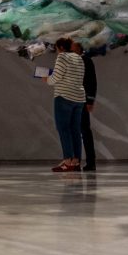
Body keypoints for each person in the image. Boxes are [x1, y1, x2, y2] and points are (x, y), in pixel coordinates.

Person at [45, 37, 86, 172]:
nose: (57, 51)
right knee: (75, 130)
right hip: (79, 98)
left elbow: (56, 77)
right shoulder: (79, 58)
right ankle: (76, 162)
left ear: (61, 47)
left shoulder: (62, 57)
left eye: (57, 48)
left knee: (63, 129)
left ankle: (68, 161)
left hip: (64, 97)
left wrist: (47, 79)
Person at [71, 41, 98, 171]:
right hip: (70, 100)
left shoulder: (86, 61)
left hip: (82, 100)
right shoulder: (69, 61)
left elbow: (92, 82)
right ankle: (75, 161)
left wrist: (90, 101)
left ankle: (90, 161)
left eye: (73, 47)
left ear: (79, 48)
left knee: (84, 131)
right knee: (74, 131)